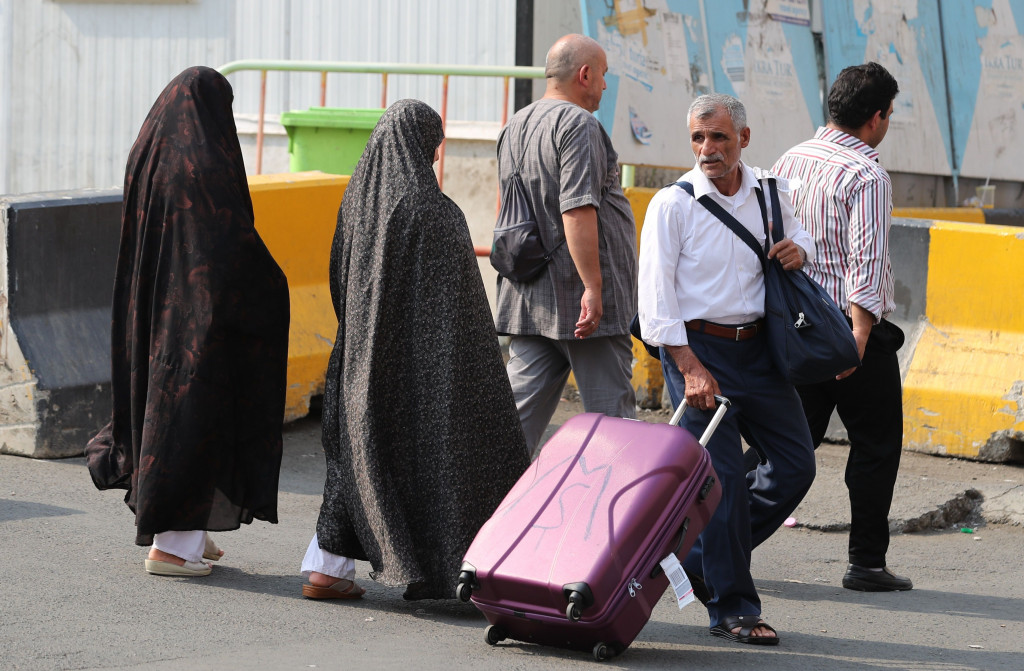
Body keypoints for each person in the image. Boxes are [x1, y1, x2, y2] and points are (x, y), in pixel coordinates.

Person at [301, 99, 531, 601]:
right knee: (435, 462)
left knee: (358, 460)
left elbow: (339, 276)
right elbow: (461, 311)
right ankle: (434, 570)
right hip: (423, 371)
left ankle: (327, 567)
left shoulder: (357, 203)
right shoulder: (432, 210)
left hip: (360, 357)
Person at [85, 66, 291, 577]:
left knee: (168, 409)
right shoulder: (204, 161)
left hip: (154, 304)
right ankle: (174, 545)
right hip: (199, 315)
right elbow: (225, 242)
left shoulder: (153, 148)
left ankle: (189, 529)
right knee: (193, 416)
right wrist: (270, 284)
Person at [637, 93, 817, 645]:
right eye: (697, 137)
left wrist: (798, 252)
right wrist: (690, 368)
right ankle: (734, 608)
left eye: (717, 136)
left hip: (761, 352)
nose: (707, 149)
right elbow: (656, 304)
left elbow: (804, 240)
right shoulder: (675, 204)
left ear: (743, 136)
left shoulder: (771, 191)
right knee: (724, 481)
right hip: (699, 354)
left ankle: (698, 557)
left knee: (796, 466)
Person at [771, 62, 911, 592]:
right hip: (847, 334)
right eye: (889, 114)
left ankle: (718, 539)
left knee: (784, 445)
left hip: (794, 325)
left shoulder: (792, 158)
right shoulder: (867, 174)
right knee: (876, 444)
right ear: (875, 118)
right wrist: (857, 338)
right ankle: (867, 563)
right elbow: (867, 263)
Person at [494, 33, 638, 455]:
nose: (605, 87)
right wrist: (594, 287)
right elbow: (576, 210)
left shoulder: (515, 124)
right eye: (604, 76)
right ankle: (619, 516)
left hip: (531, 297)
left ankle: (479, 509)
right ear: (585, 74)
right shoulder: (579, 125)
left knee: (515, 422)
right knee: (613, 427)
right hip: (581, 306)